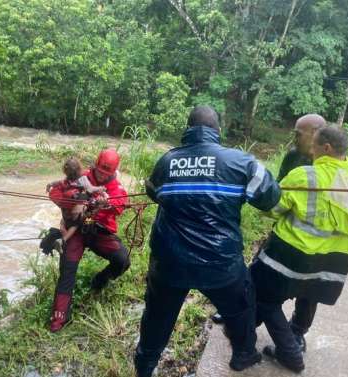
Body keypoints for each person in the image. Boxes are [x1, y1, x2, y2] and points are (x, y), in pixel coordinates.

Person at [134, 105, 281, 377]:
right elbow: (270, 198)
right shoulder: (241, 162)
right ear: (218, 131)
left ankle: (145, 368)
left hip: (169, 263)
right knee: (241, 308)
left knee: (156, 317)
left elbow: (154, 193)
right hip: (221, 263)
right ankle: (244, 354)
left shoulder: (166, 162)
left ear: (187, 130)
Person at [251, 125, 348, 372]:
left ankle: (289, 352)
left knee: (262, 296)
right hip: (332, 264)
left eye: (314, 146)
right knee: (308, 295)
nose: (310, 150)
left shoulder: (305, 176)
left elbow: (272, 209)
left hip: (291, 258)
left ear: (326, 148)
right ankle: (294, 337)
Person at [212, 114, 326, 352]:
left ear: (316, 132)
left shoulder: (332, 164)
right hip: (286, 233)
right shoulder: (294, 157)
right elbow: (277, 192)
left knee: (310, 289)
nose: (294, 138)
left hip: (319, 243)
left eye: (298, 134)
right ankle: (242, 315)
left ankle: (297, 332)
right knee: (258, 274)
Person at [47, 149, 131, 333]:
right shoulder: (81, 177)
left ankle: (99, 281)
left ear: (113, 173)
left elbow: (119, 205)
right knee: (67, 269)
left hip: (99, 232)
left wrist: (106, 203)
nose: (101, 175)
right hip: (76, 231)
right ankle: (60, 317)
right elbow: (56, 192)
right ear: (95, 166)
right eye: (100, 170)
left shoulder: (117, 188)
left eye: (106, 173)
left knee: (123, 260)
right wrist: (72, 201)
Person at [43, 157, 107, 252]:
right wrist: (100, 188)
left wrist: (50, 184)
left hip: (66, 213)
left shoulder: (66, 180)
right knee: (76, 225)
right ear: (79, 169)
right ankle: (63, 240)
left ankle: (63, 239)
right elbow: (91, 189)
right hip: (75, 215)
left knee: (63, 222)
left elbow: (57, 183)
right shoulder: (83, 179)